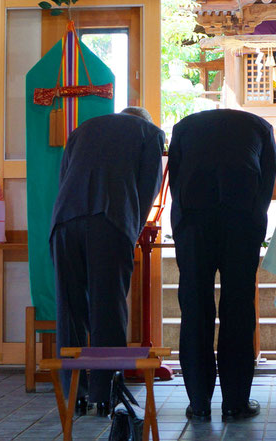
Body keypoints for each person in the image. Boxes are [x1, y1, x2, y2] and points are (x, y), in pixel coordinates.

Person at [50, 107, 164, 416]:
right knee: (108, 308)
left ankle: (74, 395)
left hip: (63, 223)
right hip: (108, 221)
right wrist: (130, 231)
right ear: (145, 120)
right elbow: (147, 189)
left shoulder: (82, 130)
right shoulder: (150, 133)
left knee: (70, 310)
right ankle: (107, 395)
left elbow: (64, 179)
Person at [168, 109, 276, 422]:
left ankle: (198, 402)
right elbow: (266, 181)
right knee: (238, 307)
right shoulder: (260, 126)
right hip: (241, 217)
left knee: (195, 307)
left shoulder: (184, 127)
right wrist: (255, 217)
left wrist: (187, 219)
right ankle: (235, 402)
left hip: (193, 219)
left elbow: (176, 179)